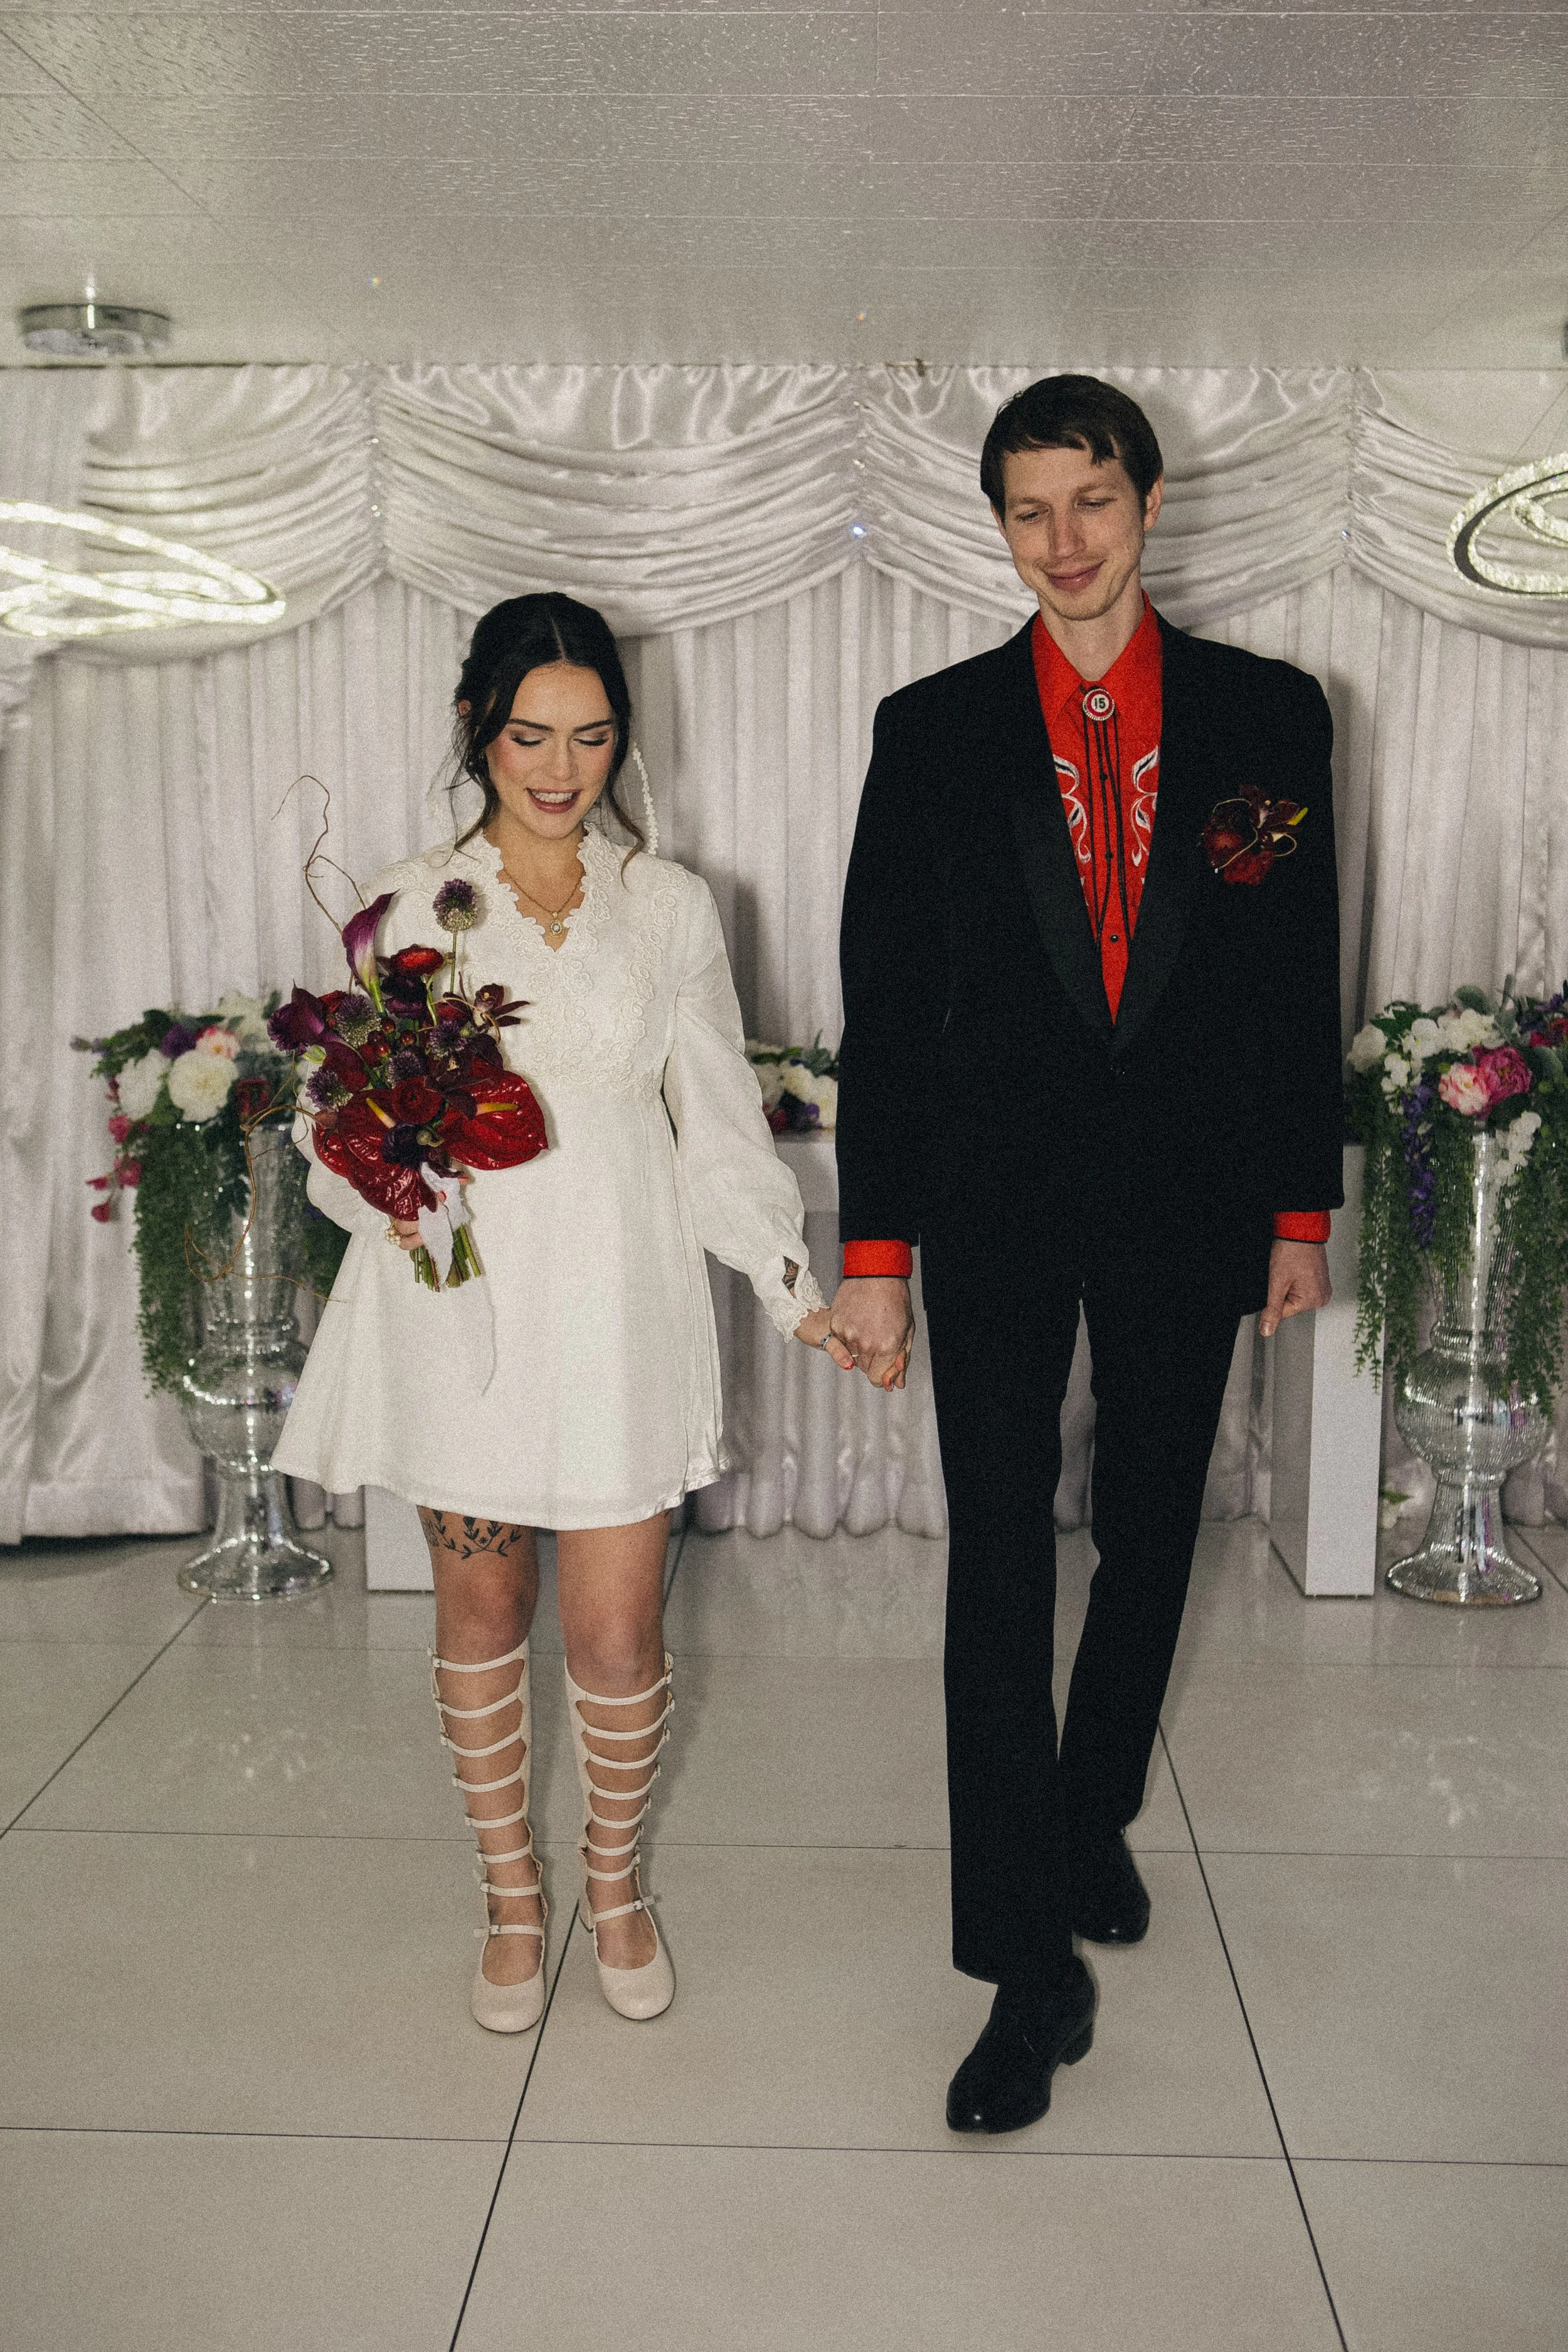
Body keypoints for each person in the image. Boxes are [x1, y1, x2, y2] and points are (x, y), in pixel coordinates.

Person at [826, 376, 1342, 2132]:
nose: (1064, 541)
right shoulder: (933, 728)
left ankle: (1091, 1801)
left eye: (1092, 501)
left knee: (1145, 1528)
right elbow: (884, 1008)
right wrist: (873, 1245)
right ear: (998, 525)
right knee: (994, 1564)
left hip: (1189, 1197)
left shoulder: (1272, 718)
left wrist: (1296, 1206)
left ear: (1146, 500)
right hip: (985, 1206)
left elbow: (1290, 974)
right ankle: (1020, 1969)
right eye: (1030, 510)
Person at [275, 592, 850, 2034]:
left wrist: (793, 1294)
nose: (558, 765)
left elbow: (717, 1123)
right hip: (457, 1304)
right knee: (479, 1607)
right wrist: (376, 1158)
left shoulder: (668, 905)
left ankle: (613, 1882)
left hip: (618, 1304)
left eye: (591, 737)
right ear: (478, 726)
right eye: (530, 733)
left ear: (620, 744)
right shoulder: (407, 904)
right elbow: (330, 1122)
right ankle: (510, 1899)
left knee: (614, 1639)